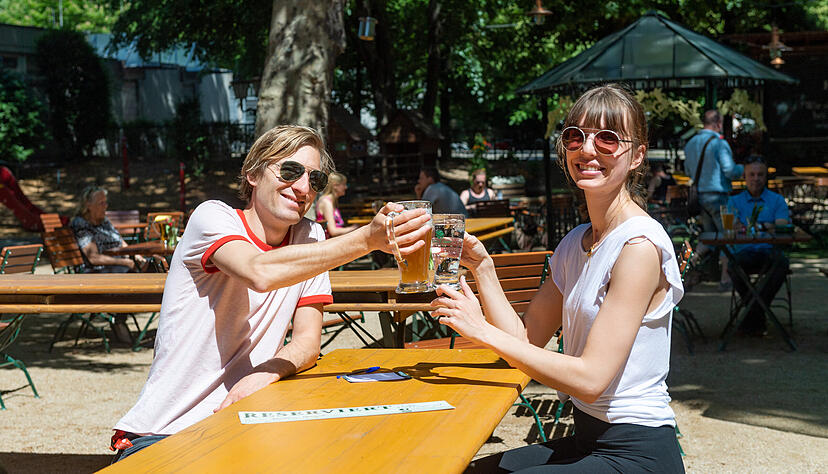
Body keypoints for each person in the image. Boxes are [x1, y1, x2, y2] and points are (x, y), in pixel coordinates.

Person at [110, 125, 430, 461]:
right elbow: (259, 271)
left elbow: (308, 343)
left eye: (316, 180)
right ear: (252, 175)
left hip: (241, 422)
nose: (304, 188)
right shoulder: (212, 217)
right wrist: (367, 240)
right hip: (166, 434)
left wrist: (263, 374)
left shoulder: (311, 236)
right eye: (290, 171)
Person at [430, 84, 685, 472]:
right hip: (587, 438)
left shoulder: (639, 247)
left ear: (637, 155)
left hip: (637, 452)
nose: (587, 149)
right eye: (574, 136)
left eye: (608, 139)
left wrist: (480, 329)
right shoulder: (574, 244)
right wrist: (483, 269)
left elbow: (590, 379)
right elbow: (526, 341)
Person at [726, 155, 790, 337]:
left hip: (770, 251)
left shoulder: (777, 200)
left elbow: (782, 225)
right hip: (744, 252)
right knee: (733, 266)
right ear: (744, 177)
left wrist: (751, 226)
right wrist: (767, 226)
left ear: (766, 177)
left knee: (782, 265)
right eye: (752, 174)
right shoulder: (734, 201)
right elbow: (731, 227)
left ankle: (752, 315)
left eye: (760, 174)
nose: (756, 178)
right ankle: (758, 313)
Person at [683, 110, 744, 234]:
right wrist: (743, 169)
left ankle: (705, 254)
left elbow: (688, 171)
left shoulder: (690, 143)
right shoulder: (720, 144)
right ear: (719, 124)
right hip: (718, 197)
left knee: (711, 239)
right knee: (729, 236)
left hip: (700, 197)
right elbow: (730, 171)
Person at [70, 186, 148, 274]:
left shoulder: (104, 221)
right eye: (101, 203)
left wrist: (135, 256)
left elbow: (120, 242)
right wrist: (125, 262)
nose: (105, 206)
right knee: (133, 272)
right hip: (96, 270)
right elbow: (93, 258)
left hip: (118, 265)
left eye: (105, 202)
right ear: (88, 205)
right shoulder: (81, 224)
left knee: (153, 264)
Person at [315, 172, 358, 237]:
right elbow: (333, 231)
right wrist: (353, 228)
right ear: (335, 186)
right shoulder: (326, 202)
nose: (346, 187)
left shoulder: (332, 201)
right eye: (343, 184)